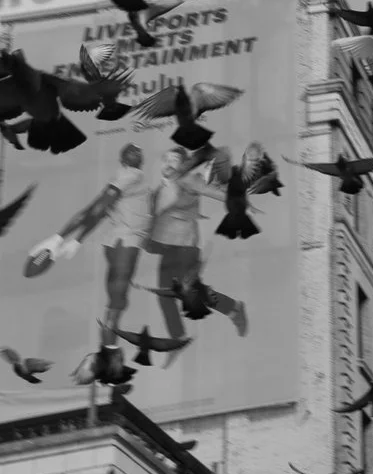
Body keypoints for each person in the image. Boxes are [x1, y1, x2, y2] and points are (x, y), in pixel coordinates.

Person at [23, 143, 157, 337]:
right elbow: (96, 210)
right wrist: (59, 238)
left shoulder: (123, 181)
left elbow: (100, 211)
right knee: (117, 301)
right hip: (125, 244)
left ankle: (108, 344)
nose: (135, 152)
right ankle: (109, 347)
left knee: (116, 300)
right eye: (131, 151)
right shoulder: (130, 177)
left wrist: (75, 240)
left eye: (138, 150)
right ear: (125, 160)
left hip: (119, 244)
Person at [144, 144, 247, 348]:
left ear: (183, 165)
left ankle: (231, 309)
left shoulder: (188, 180)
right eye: (166, 159)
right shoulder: (160, 190)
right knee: (170, 295)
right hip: (168, 249)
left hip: (185, 248)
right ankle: (181, 335)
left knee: (185, 292)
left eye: (174, 160)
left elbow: (215, 192)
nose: (168, 163)